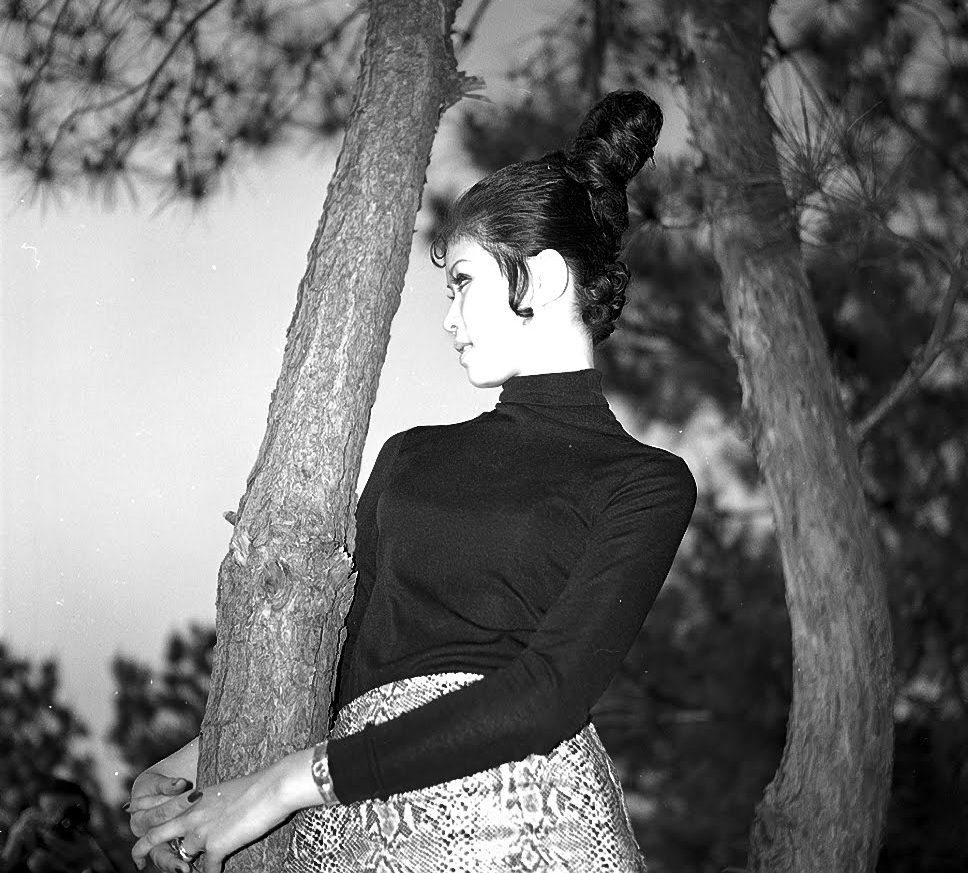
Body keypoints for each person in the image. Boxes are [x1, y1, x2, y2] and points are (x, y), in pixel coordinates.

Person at [126, 89, 697, 873]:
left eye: (462, 281)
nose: (449, 318)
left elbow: (547, 695)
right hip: (348, 825)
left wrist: (283, 786)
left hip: (526, 829)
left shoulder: (644, 483)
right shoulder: (410, 458)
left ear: (544, 279)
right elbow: (333, 667)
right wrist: (182, 773)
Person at [0, 778, 116, 873]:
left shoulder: (92, 859)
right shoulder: (17, 855)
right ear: (31, 815)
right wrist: (9, 858)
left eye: (72, 816)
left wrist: (90, 864)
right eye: (51, 811)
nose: (60, 821)